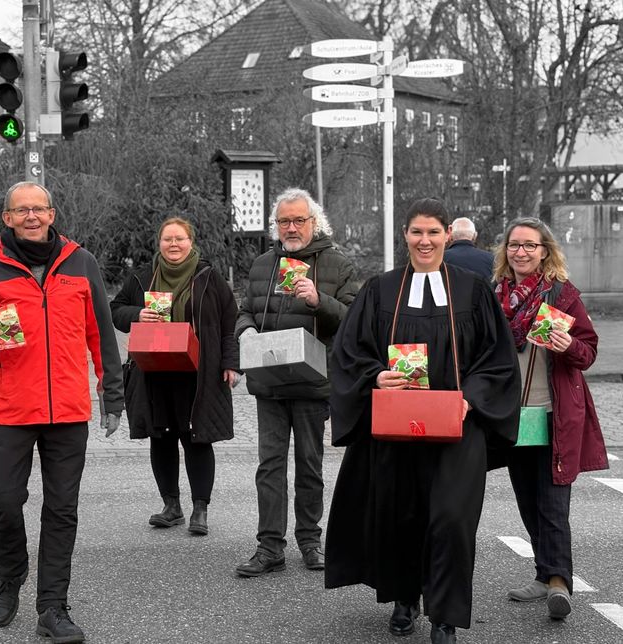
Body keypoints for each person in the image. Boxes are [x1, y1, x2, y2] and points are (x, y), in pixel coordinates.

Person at [325, 198, 520, 644]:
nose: (425, 240)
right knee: (401, 514)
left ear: (448, 234)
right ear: (405, 235)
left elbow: (497, 360)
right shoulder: (381, 290)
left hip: (457, 428)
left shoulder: (473, 291)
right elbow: (349, 352)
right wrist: (377, 375)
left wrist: (471, 398)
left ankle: (445, 616)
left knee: (451, 520)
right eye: (417, 232)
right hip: (397, 428)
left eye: (433, 232)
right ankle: (404, 598)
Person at [0, 181, 123, 644]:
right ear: (7, 218)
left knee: (62, 510)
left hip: (68, 409)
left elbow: (101, 332)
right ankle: (11, 576)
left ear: (51, 214)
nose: (31, 216)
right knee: (4, 502)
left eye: (39, 209)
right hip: (13, 409)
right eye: (21, 210)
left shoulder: (80, 262)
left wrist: (112, 394)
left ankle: (52, 606)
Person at [234, 188, 359, 577]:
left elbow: (355, 320)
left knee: (309, 466)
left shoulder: (337, 264)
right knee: (269, 467)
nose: (291, 228)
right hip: (270, 382)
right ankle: (270, 546)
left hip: (312, 383)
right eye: (284, 221)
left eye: (298, 220)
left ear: (314, 222)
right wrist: (245, 331)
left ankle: (310, 541)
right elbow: (245, 311)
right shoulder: (263, 264)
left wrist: (318, 300)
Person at [493, 217, 608, 620]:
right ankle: (544, 575)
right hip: (512, 417)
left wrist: (568, 344)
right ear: (505, 251)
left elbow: (588, 352)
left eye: (530, 245)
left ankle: (559, 582)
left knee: (553, 504)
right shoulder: (494, 296)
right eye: (514, 245)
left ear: (544, 251)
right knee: (528, 501)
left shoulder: (560, 294)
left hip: (554, 415)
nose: (521, 252)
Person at [110, 217, 239, 536]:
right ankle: (171, 506)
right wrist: (136, 314)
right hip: (154, 370)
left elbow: (230, 322)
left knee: (197, 437)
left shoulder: (208, 277)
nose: (173, 244)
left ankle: (200, 509)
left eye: (180, 238)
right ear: (159, 243)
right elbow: (115, 310)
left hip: (198, 372)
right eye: (167, 239)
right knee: (161, 437)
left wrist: (231, 363)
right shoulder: (143, 277)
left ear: (191, 242)